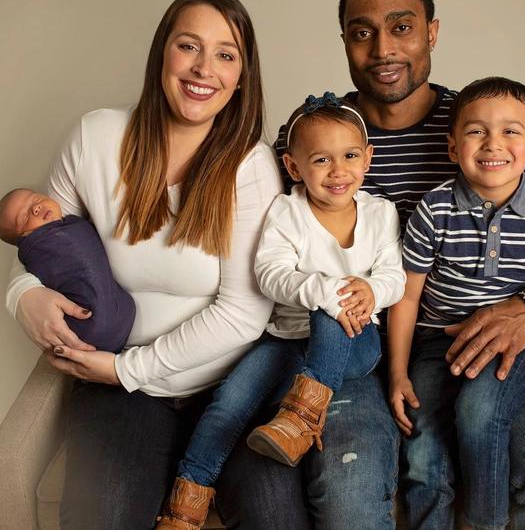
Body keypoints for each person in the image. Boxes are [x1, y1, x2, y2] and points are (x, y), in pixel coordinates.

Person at [216, 0, 525, 530]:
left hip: (479, 341)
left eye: (402, 27)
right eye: (362, 32)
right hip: (350, 345)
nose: (383, 48)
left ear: (431, 32)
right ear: (345, 41)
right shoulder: (314, 133)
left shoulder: (484, 126)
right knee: (348, 496)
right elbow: (266, 246)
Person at [5, 0, 282, 530]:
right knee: (102, 516)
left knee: (275, 514)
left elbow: (243, 314)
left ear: (242, 76)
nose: (204, 69)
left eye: (226, 54)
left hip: (229, 388)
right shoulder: (96, 137)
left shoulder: (251, 167)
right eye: (189, 46)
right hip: (119, 391)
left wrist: (127, 371)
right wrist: (22, 296)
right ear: (162, 52)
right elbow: (39, 239)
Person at [156, 93, 405, 529]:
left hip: (354, 343)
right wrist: (323, 289)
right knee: (228, 403)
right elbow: (269, 274)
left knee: (333, 311)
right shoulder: (287, 212)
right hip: (286, 342)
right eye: (321, 160)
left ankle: (301, 418)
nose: (338, 170)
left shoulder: (381, 213)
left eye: (349, 156)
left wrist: (371, 289)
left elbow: (394, 277)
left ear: (368, 158)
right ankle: (185, 506)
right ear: (293, 167)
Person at [388, 76, 525, 529]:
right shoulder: (434, 209)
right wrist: (397, 373)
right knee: (422, 450)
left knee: (479, 410)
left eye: (511, 131)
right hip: (437, 344)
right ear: (453, 147)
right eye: (477, 131)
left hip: (519, 342)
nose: (493, 143)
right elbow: (407, 295)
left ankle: (483, 522)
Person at [0, 188, 135, 352]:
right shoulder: (37, 248)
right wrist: (21, 291)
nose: (36, 208)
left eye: (36, 199)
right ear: (24, 236)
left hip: (121, 313)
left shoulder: (69, 223)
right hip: (86, 327)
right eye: (25, 217)